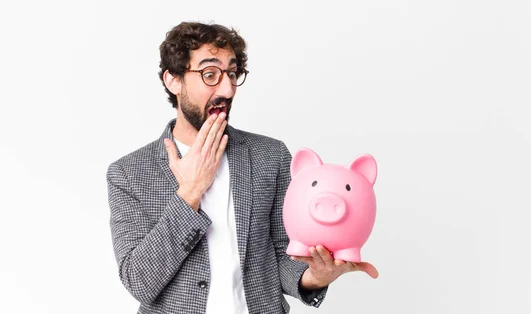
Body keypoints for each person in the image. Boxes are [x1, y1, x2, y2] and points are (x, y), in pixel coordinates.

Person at [106, 21, 378, 314]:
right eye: (210, 74)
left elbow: (284, 253)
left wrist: (316, 277)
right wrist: (190, 192)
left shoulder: (270, 156)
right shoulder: (128, 173)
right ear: (173, 80)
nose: (227, 89)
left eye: (232, 74)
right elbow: (140, 282)